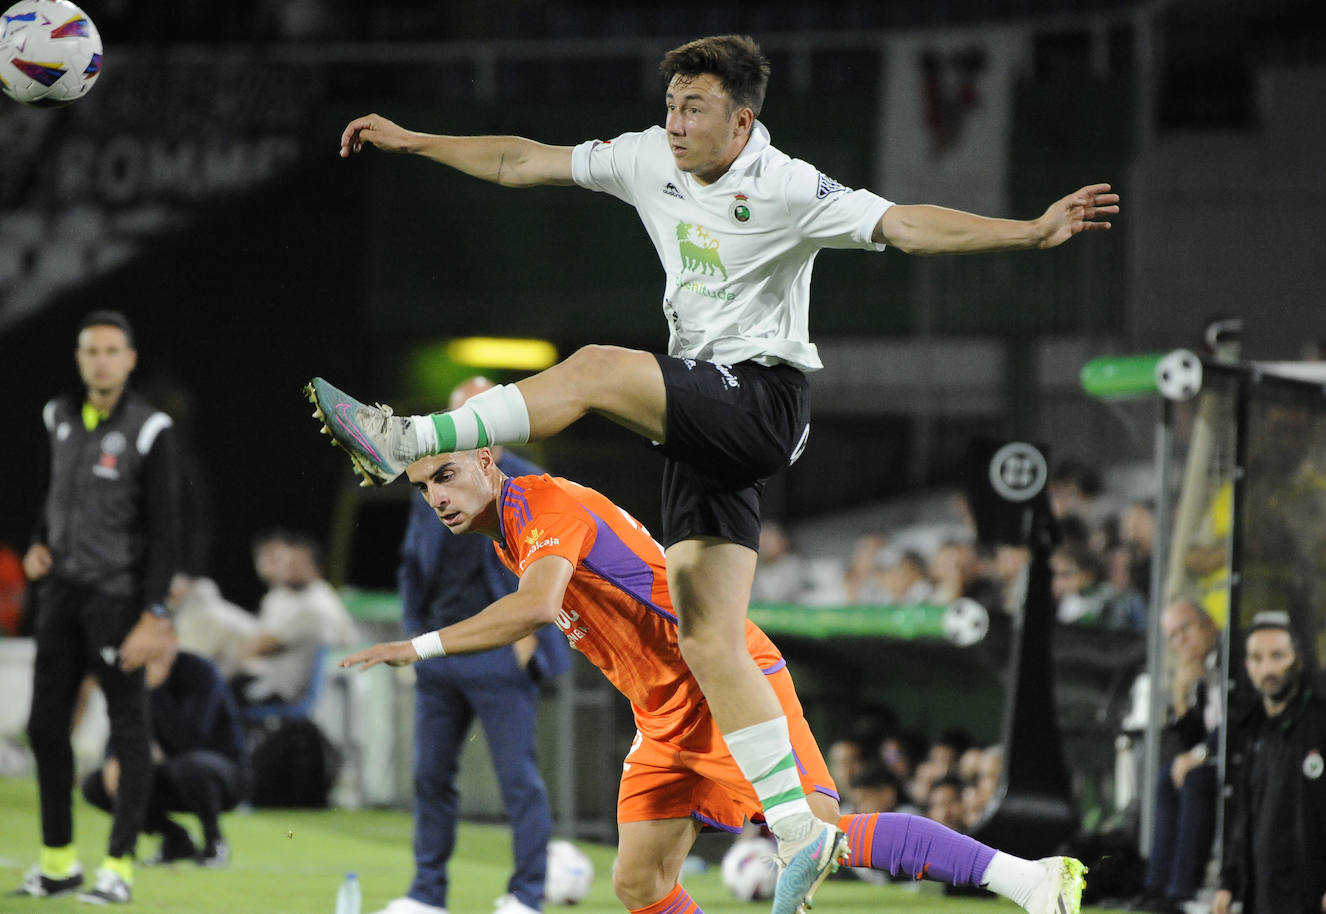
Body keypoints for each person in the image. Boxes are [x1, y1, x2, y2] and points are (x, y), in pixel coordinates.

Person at [312, 33, 1116, 914]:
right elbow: (519, 160)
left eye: (695, 108)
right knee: (704, 651)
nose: (676, 122)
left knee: (592, 370)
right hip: (700, 433)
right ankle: (807, 837)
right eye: (671, 105)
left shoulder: (788, 185)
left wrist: (1030, 230)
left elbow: (906, 224)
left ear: (744, 119)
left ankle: (404, 433)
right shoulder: (648, 158)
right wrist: (416, 141)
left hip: (762, 404)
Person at [340, 449, 1088, 914]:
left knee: (821, 839)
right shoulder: (509, 530)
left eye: (445, 474)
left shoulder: (542, 506)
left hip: (723, 684)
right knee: (638, 881)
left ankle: (1030, 881)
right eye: (423, 486)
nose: (437, 496)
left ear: (490, 460)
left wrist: (420, 646)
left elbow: (536, 608)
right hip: (663, 715)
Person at [373, 379, 570, 914]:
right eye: (460, 415)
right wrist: (416, 637)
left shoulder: (534, 483)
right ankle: (426, 895)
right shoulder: (432, 479)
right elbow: (414, 563)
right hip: (439, 649)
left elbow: (555, 570)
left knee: (517, 780)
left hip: (499, 650)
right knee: (430, 776)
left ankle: (527, 896)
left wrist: (531, 634)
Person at [13, 310, 181, 905]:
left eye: (112, 350)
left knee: (128, 731)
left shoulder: (149, 428)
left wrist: (154, 614)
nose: (101, 360)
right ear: (80, 359)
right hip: (60, 596)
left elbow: (166, 531)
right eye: (91, 351)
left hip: (118, 601)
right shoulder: (58, 417)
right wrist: (36, 543)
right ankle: (58, 863)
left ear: (130, 359)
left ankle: (118, 867)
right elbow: (49, 497)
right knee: (44, 729)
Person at [1212, 615, 1326, 914]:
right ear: (1246, 666)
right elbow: (1243, 819)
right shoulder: (1252, 732)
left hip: (1321, 899)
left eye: (1278, 656)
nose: (1267, 668)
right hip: (1264, 900)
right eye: (1257, 658)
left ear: (1298, 660)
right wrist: (1229, 883)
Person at [80, 632, 250, 869]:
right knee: (96, 785)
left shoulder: (200, 671)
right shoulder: (133, 673)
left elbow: (188, 737)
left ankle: (214, 842)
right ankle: (175, 838)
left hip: (222, 776)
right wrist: (114, 758)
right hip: (171, 774)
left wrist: (154, 688)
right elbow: (122, 726)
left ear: (174, 642)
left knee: (189, 766)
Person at [1133, 598, 1221, 914]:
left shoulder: (1232, 659)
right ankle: (1157, 887)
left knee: (1195, 778)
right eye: (1173, 636)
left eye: (1186, 629)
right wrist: (1182, 700)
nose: (1180, 640)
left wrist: (1201, 753)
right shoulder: (1199, 668)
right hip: (1213, 757)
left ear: (1209, 624)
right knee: (1166, 777)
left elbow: (1237, 721)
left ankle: (1182, 891)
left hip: (1244, 758)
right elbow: (1193, 738)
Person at [231, 530, 357, 709]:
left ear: (316, 568)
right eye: (286, 563)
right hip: (268, 678)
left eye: (298, 564)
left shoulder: (317, 604)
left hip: (283, 688)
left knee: (217, 693)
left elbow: (260, 647)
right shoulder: (280, 595)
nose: (290, 569)